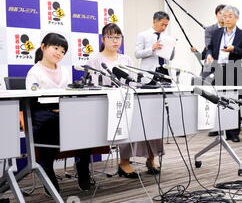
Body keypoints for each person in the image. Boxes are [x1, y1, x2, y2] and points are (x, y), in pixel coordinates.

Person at [88, 23, 162, 177]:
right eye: (111, 37)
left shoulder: (126, 59)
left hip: (127, 100)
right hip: (107, 103)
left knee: (148, 117)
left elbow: (133, 82)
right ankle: (124, 162)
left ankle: (151, 158)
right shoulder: (95, 59)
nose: (115, 41)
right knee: (126, 119)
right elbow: (93, 85)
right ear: (103, 39)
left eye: (118, 37)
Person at [26, 33, 91, 192]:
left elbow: (67, 95)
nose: (59, 53)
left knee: (85, 126)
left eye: (62, 51)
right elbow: (32, 102)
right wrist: (55, 109)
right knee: (53, 124)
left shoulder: (64, 71)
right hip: (43, 118)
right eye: (55, 48)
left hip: (63, 114)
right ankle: (48, 172)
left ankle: (83, 170)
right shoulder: (34, 72)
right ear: (43, 47)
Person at [206, 5, 242, 142]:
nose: (226, 19)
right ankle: (219, 129)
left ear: (237, 18)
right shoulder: (217, 33)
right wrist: (208, 55)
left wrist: (234, 49)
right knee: (218, 99)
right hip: (218, 67)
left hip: (233, 68)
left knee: (232, 101)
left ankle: (234, 132)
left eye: (230, 16)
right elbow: (210, 48)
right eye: (224, 16)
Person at [135, 11, 173, 85]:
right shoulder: (143, 35)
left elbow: (170, 57)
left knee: (168, 95)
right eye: (162, 24)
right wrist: (152, 49)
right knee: (150, 95)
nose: (164, 28)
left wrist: (172, 48)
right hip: (150, 73)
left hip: (165, 72)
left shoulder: (167, 37)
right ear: (154, 21)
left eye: (166, 25)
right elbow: (137, 54)